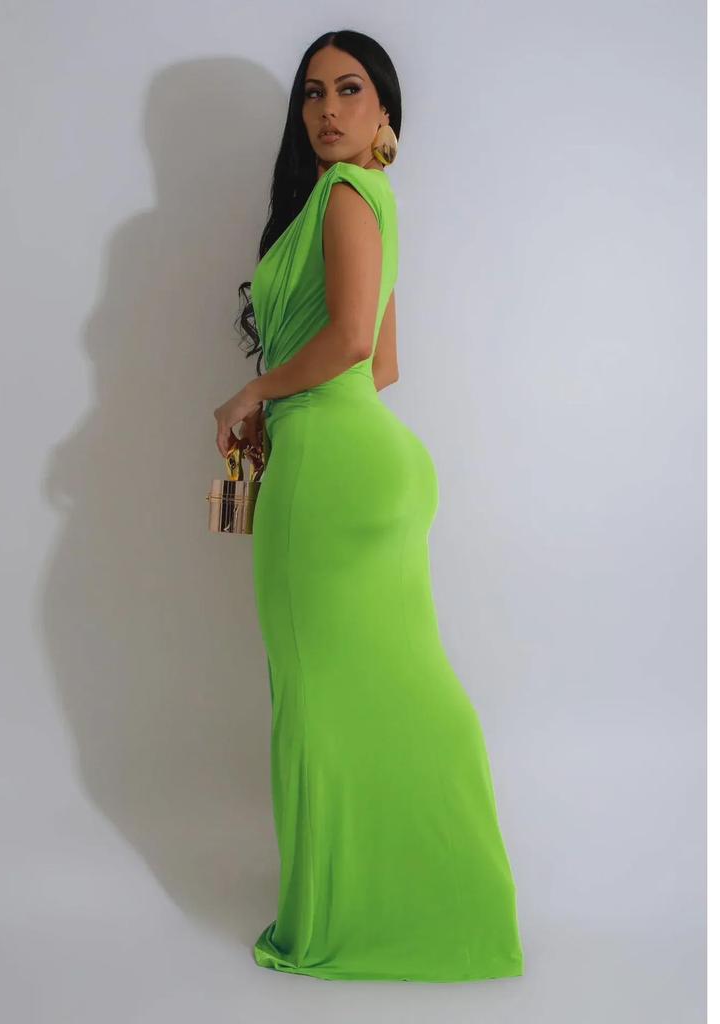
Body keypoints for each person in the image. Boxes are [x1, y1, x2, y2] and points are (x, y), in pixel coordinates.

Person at [213, 29, 525, 983]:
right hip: (369, 458)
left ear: (386, 109)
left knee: (318, 697)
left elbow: (352, 342)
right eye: (312, 93)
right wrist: (291, 412)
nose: (328, 109)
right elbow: (383, 363)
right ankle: (458, 904)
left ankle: (343, 918)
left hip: (331, 470)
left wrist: (256, 395)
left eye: (350, 90)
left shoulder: (348, 193)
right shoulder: (362, 198)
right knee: (394, 686)